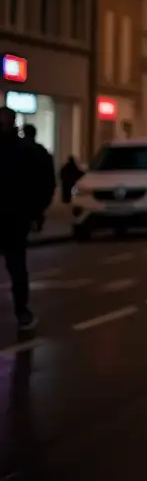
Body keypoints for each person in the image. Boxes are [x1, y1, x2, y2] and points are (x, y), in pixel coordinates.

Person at [0, 109, 53, 331]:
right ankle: (22, 312)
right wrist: (35, 213)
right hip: (15, 218)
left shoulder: (27, 151)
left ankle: (23, 312)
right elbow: (45, 184)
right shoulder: (29, 151)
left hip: (14, 217)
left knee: (17, 268)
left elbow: (44, 184)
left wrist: (35, 212)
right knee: (17, 268)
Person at [21, 124, 57, 231]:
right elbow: (49, 172)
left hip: (24, 189)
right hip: (38, 189)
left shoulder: (19, 149)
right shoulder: (42, 151)